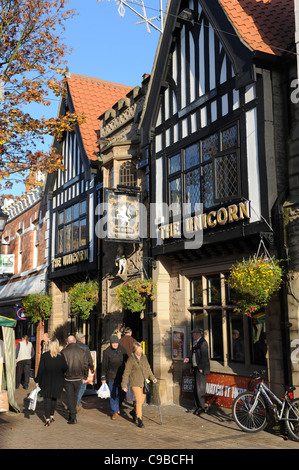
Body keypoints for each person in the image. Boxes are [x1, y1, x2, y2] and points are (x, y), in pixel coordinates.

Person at [122, 341, 157, 428]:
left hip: (144, 382)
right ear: (134, 350)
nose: (140, 350)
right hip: (135, 382)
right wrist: (124, 385)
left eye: (141, 348)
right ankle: (140, 419)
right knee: (138, 401)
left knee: (141, 402)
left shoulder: (144, 358)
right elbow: (126, 372)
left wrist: (153, 378)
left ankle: (133, 412)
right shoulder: (131, 359)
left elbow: (148, 368)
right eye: (138, 349)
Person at [34, 339, 68, 426]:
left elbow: (40, 369)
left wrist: (37, 380)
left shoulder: (45, 356)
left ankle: (48, 418)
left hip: (46, 381)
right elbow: (65, 368)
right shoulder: (61, 356)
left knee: (47, 399)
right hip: (58, 381)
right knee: (54, 398)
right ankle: (52, 415)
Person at [62, 335, 89, 424]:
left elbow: (61, 366)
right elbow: (86, 364)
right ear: (75, 341)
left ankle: (73, 416)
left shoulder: (64, 351)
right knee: (75, 396)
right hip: (78, 377)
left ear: (67, 342)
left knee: (70, 396)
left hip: (68, 377)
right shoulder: (82, 351)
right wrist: (85, 376)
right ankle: (72, 414)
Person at [184, 328, 210, 416]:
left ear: (197, 334)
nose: (192, 336)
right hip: (196, 369)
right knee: (196, 389)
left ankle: (201, 407)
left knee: (200, 389)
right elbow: (195, 356)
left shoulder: (203, 343)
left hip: (201, 370)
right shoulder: (196, 343)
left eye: (193, 334)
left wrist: (201, 367)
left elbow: (204, 357)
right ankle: (196, 406)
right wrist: (189, 359)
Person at [101, 334, 127, 420]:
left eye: (116, 343)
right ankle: (114, 411)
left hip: (121, 375)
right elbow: (104, 366)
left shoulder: (122, 349)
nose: (115, 344)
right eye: (113, 343)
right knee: (113, 394)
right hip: (111, 375)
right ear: (111, 343)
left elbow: (127, 361)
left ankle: (118, 406)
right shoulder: (106, 352)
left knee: (122, 393)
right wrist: (103, 377)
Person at [76, 332, 94, 411]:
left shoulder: (72, 346)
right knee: (82, 387)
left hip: (73, 370)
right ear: (82, 339)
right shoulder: (85, 347)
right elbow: (89, 359)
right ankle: (76, 402)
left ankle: (75, 402)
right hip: (83, 370)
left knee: (75, 387)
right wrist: (92, 367)